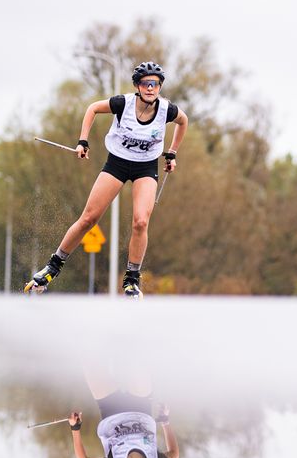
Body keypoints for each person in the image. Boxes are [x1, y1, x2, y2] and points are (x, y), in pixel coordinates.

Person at [24, 61, 189, 298]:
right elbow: (92, 108)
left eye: (155, 84)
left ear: (160, 86)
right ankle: (53, 265)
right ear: (137, 86)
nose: (150, 88)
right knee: (89, 218)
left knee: (141, 221)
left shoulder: (167, 110)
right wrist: (83, 140)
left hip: (146, 167)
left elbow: (184, 122)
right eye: (145, 83)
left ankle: (132, 280)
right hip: (118, 164)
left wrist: (172, 152)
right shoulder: (123, 103)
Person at [65, 361, 179, 458]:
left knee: (91, 363)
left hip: (110, 407)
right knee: (137, 360)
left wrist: (75, 428)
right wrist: (165, 421)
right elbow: (174, 455)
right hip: (141, 405)